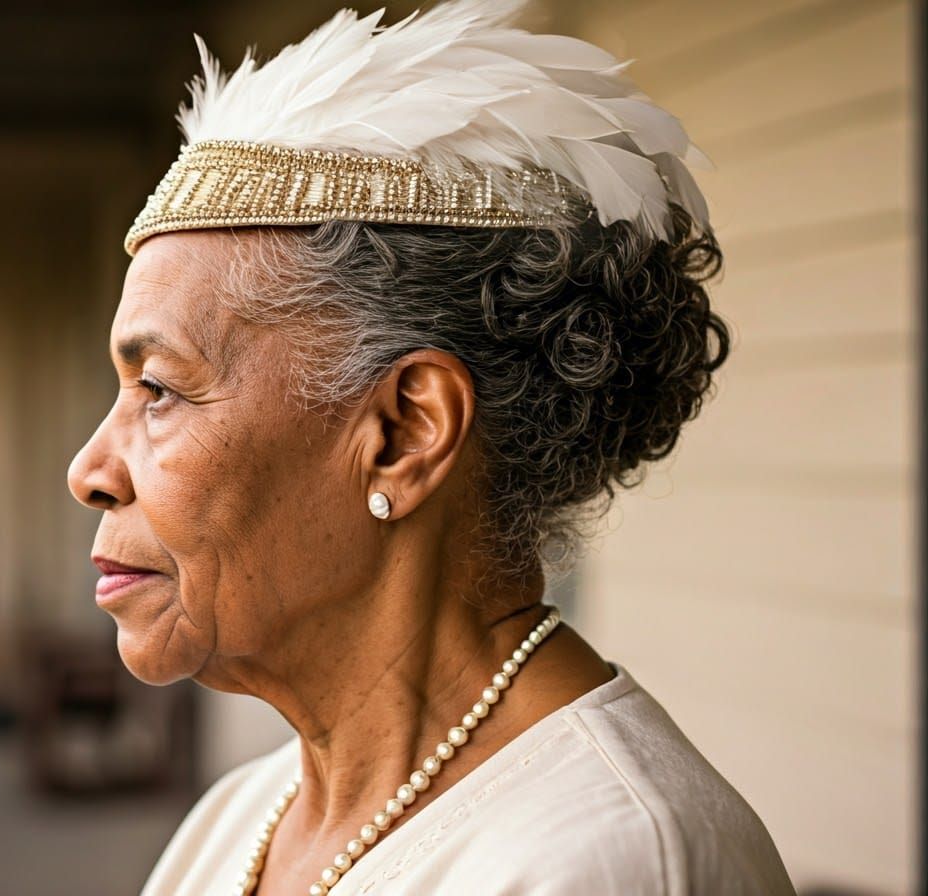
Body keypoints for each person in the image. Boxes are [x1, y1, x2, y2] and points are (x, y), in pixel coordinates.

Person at [66, 1, 795, 893]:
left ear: (405, 433)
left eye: (160, 389)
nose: (89, 472)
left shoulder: (608, 863)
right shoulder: (237, 820)